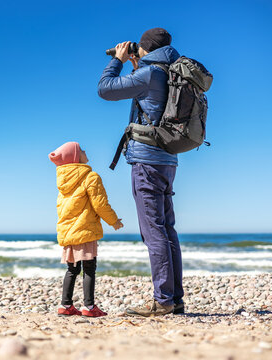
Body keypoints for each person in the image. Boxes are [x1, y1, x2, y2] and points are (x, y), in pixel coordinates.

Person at [97, 28, 184, 316]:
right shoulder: (173, 71)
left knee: (153, 232)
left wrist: (118, 60)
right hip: (168, 160)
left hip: (146, 161)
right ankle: (175, 298)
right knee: (167, 230)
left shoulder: (149, 74)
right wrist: (139, 65)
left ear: (144, 49)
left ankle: (163, 301)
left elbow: (105, 89)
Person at [49, 141, 123, 317]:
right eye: (81, 150)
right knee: (89, 268)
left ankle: (65, 305)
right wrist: (113, 221)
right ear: (75, 157)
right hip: (85, 229)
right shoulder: (90, 177)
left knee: (72, 269)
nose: (85, 151)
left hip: (68, 231)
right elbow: (100, 204)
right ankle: (89, 307)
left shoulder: (63, 181)